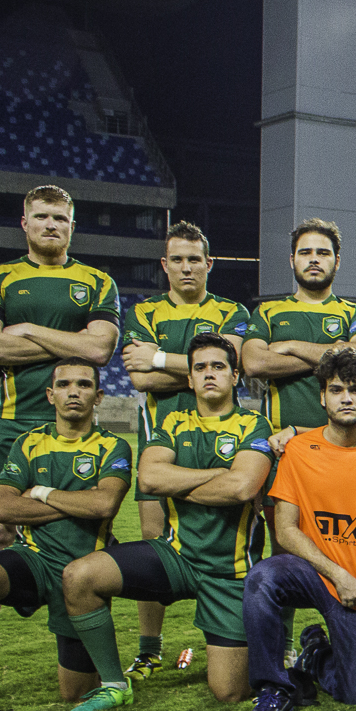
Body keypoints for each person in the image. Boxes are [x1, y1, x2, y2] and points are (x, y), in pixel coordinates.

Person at [61, 333, 275, 711]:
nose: (209, 374)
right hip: (174, 555)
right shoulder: (172, 422)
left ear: (235, 376)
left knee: (228, 692)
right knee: (80, 576)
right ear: (189, 379)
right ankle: (113, 683)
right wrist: (217, 475)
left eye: (219, 366)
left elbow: (242, 488)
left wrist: (182, 482)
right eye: (200, 368)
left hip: (230, 572)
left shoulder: (254, 424)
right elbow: (149, 479)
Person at [0, 185, 120, 682]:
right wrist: (67, 344)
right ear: (24, 223)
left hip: (76, 427)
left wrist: (26, 331)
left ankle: (87, 651)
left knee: (87, 533)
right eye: (43, 216)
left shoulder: (96, 281)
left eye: (62, 218)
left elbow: (98, 354)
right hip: (7, 422)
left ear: (72, 226)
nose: (52, 225)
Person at [0, 360, 131, 711]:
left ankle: (104, 670)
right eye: (63, 384)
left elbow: (104, 505)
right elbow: (1, 508)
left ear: (99, 396)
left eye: (83, 384)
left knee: (75, 692)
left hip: (82, 574)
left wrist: (41, 494)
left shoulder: (113, 446)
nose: (73, 391)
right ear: (50, 394)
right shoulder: (28, 443)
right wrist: (77, 503)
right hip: (34, 560)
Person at [242, 349, 356, 711]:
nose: (347, 398)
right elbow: (285, 529)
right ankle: (274, 687)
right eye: (336, 390)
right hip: (312, 572)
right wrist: (337, 573)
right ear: (322, 397)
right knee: (262, 578)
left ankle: (315, 653)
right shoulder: (300, 451)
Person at [119, 220, 250, 683]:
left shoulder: (231, 311)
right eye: (177, 259)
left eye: (195, 258)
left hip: (222, 443)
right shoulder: (144, 312)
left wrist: (159, 358)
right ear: (164, 265)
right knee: (157, 546)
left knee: (238, 546)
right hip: (162, 445)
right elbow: (139, 378)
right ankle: (149, 649)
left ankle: (240, 633)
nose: (187, 267)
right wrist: (194, 368)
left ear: (209, 263)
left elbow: (235, 361)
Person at [243, 218, 356, 430]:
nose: (314, 260)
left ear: (337, 261)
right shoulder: (267, 312)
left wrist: (291, 346)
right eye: (305, 253)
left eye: (323, 253)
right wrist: (336, 353)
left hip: (341, 441)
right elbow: (254, 364)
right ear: (292, 260)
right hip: (281, 439)